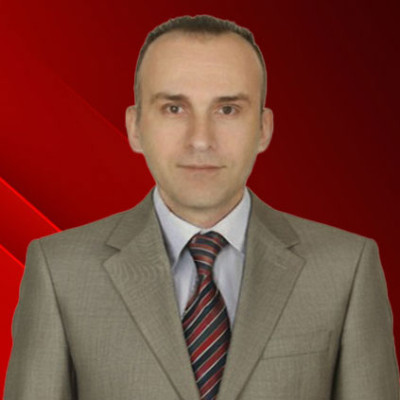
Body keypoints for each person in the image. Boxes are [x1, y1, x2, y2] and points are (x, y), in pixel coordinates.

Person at [4, 15, 399, 400]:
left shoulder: (345, 269)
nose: (200, 140)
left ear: (264, 129)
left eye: (227, 109)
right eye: (174, 108)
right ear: (135, 127)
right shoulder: (60, 271)